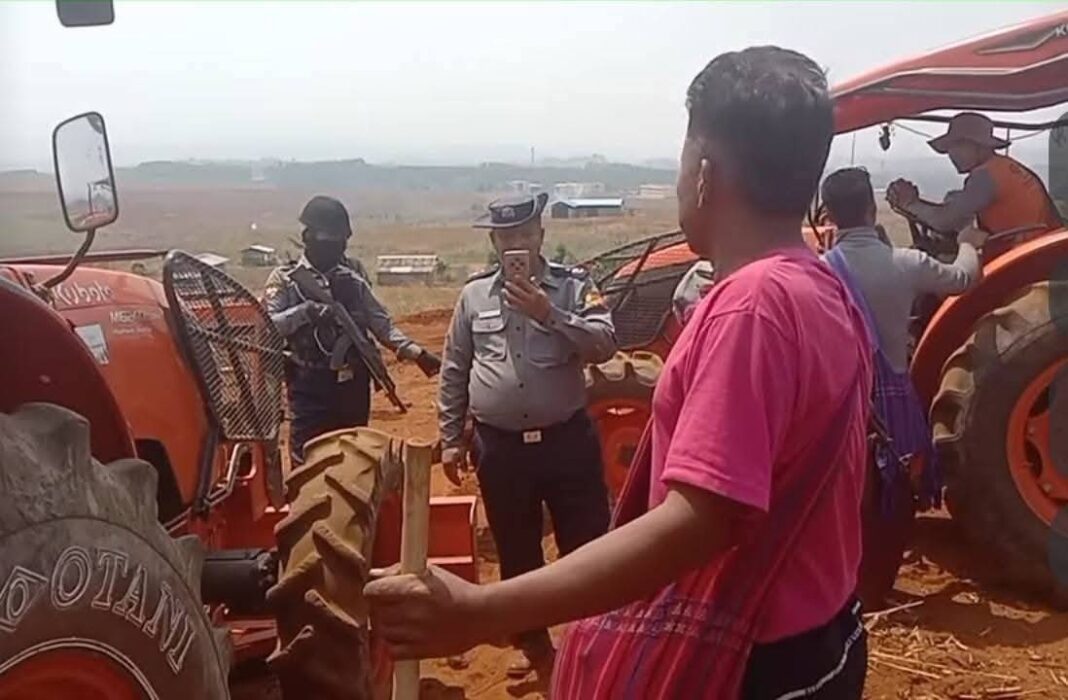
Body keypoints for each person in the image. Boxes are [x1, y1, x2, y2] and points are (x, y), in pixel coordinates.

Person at [368, 46, 874, 699]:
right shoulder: (821, 287)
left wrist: (478, 612)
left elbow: (701, 519)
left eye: (683, 157)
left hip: (755, 667)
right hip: (820, 641)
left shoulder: (751, 307)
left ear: (703, 174)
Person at [435, 191, 617, 677]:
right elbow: (455, 368)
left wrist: (547, 313)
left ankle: (593, 651)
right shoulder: (473, 296)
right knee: (517, 551)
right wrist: (451, 437)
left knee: (588, 546)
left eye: (525, 233)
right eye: (506, 236)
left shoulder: (574, 286)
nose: (516, 243)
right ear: (494, 240)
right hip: (500, 449)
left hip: (566, 443)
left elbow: (604, 344)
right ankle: (537, 653)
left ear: (541, 235)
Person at [265, 195, 441, 463]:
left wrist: (416, 353)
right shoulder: (286, 279)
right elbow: (270, 327)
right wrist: (306, 313)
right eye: (329, 240)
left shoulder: (352, 274)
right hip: (309, 384)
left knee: (355, 460)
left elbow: (380, 322)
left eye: (341, 241)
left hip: (352, 386)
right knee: (306, 461)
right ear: (307, 237)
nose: (337, 248)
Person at [887, 112, 1062, 260]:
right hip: (1042, 251)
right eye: (949, 148)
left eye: (957, 146)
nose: (951, 154)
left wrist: (909, 203)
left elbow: (945, 221)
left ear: (979, 146)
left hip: (1023, 258)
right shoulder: (1006, 167)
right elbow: (956, 215)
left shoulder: (984, 176)